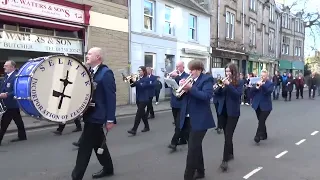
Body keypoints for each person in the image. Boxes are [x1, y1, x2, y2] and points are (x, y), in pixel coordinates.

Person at [71, 47, 116, 180]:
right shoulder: (89, 71)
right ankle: (108, 168)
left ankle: (76, 176)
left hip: (97, 116)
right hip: (89, 114)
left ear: (99, 57)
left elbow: (111, 97)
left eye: (90, 54)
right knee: (98, 143)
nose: (87, 56)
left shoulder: (106, 73)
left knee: (84, 147)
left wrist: (110, 119)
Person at [178, 60, 215, 180]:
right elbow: (180, 98)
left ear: (199, 69)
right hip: (188, 118)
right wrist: (181, 88)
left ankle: (187, 176)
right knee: (196, 147)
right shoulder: (191, 80)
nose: (190, 72)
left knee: (192, 150)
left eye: (192, 70)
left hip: (200, 119)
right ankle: (200, 171)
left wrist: (191, 88)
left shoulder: (207, 79)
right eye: (189, 70)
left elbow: (206, 96)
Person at [215, 63, 243, 172]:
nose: (227, 73)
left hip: (233, 113)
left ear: (233, 72)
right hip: (223, 111)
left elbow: (237, 95)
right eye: (226, 71)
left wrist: (229, 85)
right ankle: (230, 153)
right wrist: (219, 86)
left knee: (228, 135)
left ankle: (224, 161)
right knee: (227, 135)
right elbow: (217, 93)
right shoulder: (223, 81)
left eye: (229, 71)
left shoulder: (239, 82)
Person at [0, 60, 27, 146]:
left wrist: (7, 94)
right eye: (4, 65)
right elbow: (3, 87)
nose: (4, 67)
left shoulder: (16, 76)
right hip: (8, 104)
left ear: (12, 67)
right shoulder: (6, 76)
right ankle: (22, 136)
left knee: (4, 122)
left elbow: (18, 90)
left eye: (6, 65)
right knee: (18, 120)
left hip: (12, 103)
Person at [167, 61, 189, 151]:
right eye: (176, 66)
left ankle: (174, 142)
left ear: (183, 67)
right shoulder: (175, 75)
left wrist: (177, 76)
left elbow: (184, 85)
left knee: (179, 124)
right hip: (174, 102)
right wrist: (168, 79)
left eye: (178, 66)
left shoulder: (186, 76)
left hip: (182, 103)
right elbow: (168, 86)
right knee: (177, 123)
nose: (176, 68)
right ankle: (183, 139)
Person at [250, 70, 274, 143]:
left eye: (264, 76)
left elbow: (268, 92)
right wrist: (256, 87)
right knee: (261, 121)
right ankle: (264, 134)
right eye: (261, 76)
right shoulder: (257, 82)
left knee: (261, 121)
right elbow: (251, 90)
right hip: (257, 105)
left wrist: (262, 85)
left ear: (267, 77)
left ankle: (257, 136)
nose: (262, 77)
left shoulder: (270, 84)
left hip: (266, 106)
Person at [127, 66, 150, 135]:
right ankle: (147, 127)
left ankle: (134, 129)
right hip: (138, 99)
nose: (139, 72)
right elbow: (132, 85)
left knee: (138, 115)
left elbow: (142, 86)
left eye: (140, 70)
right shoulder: (139, 78)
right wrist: (130, 79)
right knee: (142, 114)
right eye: (138, 70)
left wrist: (135, 81)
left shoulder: (146, 79)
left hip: (144, 99)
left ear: (144, 71)